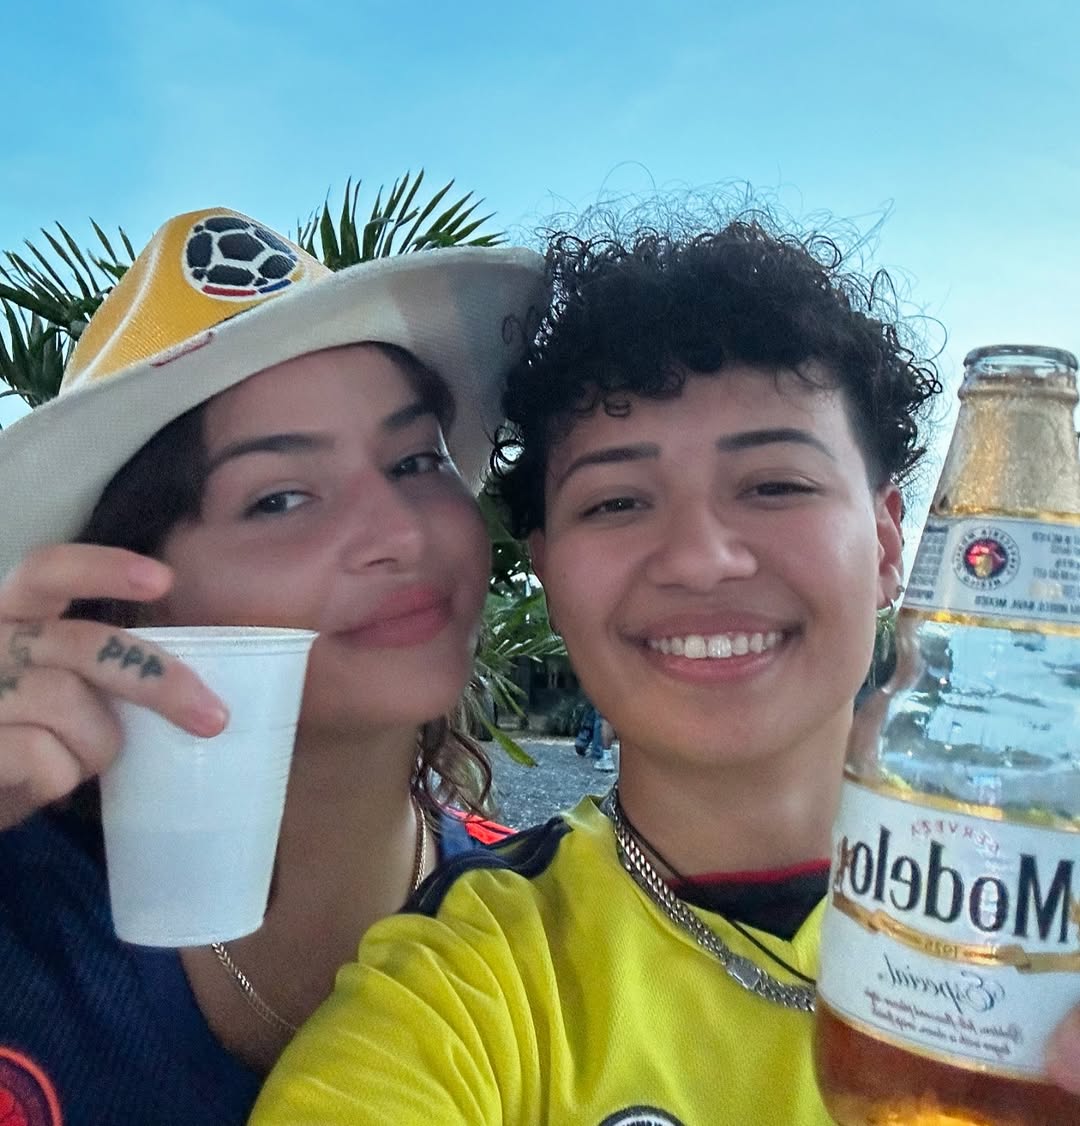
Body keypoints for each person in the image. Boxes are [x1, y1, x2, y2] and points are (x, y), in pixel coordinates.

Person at [254, 209, 1080, 1123]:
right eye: (616, 502)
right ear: (549, 575)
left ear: (889, 545)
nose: (700, 559)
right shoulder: (472, 981)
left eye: (775, 485)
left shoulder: (1053, 932)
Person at [0, 207, 544, 1126]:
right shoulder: (25, 912)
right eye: (281, 499)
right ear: (124, 598)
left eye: (417, 459)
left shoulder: (545, 917)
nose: (400, 534)